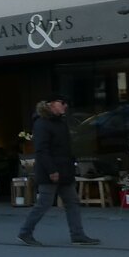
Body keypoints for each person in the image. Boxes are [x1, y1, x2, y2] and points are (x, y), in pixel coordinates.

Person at [18, 94, 100, 246]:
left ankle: (78, 234)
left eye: (65, 103)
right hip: (51, 170)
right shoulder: (42, 123)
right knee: (44, 203)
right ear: (50, 104)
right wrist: (51, 170)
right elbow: (42, 150)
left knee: (72, 202)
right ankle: (25, 232)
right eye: (61, 102)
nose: (65, 105)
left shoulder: (60, 122)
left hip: (65, 169)